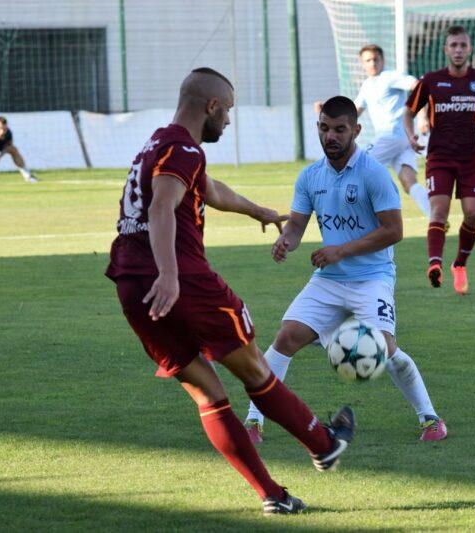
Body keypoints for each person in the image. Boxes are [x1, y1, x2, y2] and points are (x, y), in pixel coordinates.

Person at [104, 68, 355, 515]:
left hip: (131, 286)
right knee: (255, 370)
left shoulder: (158, 144)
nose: (229, 121)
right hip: (183, 282)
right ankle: (324, 444)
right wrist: (170, 273)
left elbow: (210, 190)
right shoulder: (184, 149)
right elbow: (162, 205)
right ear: (212, 106)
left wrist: (259, 211)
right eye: (229, 111)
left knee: (208, 395)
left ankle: (273, 496)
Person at [244, 96, 447, 445]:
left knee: (384, 348)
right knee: (286, 337)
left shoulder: (373, 174)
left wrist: (340, 251)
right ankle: (253, 421)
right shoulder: (310, 176)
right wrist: (285, 242)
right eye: (324, 128)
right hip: (330, 279)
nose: (331, 136)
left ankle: (430, 418)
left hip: (372, 278)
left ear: (356, 130)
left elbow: (393, 231)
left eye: (339, 129)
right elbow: (296, 227)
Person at [403, 25, 475, 295]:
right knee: (439, 210)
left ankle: (459, 264)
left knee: (473, 213)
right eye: (453, 45)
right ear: (445, 49)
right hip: (440, 157)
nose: (458, 50)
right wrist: (411, 136)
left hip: (471, 159)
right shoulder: (431, 81)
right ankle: (434, 264)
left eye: (463, 45)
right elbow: (408, 112)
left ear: (469, 49)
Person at [315, 44, 437, 225]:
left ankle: (347, 216)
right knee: (408, 180)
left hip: (392, 134)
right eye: (368, 60)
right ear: (362, 63)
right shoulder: (367, 85)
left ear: (382, 60)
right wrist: (328, 112)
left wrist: (422, 116)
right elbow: (354, 112)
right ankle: (436, 218)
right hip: (403, 140)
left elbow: (419, 86)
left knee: (356, 165)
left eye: (376, 59)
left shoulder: (390, 77)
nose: (373, 63)